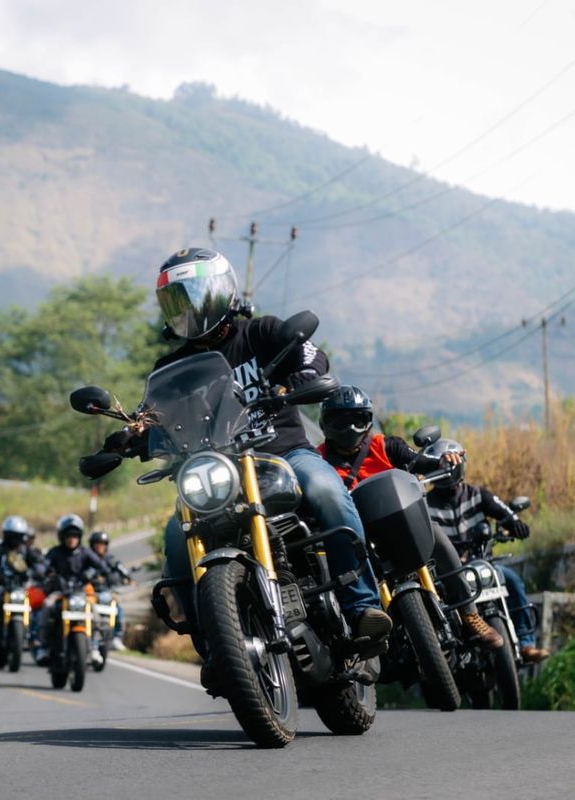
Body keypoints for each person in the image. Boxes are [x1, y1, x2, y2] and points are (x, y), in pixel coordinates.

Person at [102, 248, 393, 673]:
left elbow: (310, 355)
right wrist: (131, 437)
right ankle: (217, 647)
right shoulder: (173, 367)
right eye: (177, 301)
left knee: (327, 489)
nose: (188, 309)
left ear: (221, 292)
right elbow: (158, 417)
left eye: (194, 295)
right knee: (175, 539)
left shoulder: (262, 333)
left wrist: (304, 378)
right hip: (219, 473)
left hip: (285, 452)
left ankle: (360, 605)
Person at [317, 385, 503, 650]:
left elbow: (418, 461)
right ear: (326, 424)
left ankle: (470, 615)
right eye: (340, 419)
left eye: (356, 419)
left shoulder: (385, 445)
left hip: (402, 524)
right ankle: (358, 635)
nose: (349, 427)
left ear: (367, 421)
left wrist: (442, 461)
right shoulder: (318, 460)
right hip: (360, 538)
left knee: (437, 536)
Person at [421, 438, 550, 663]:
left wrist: (515, 524)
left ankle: (527, 644)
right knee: (434, 602)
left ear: (460, 465)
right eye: (439, 468)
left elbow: (504, 511)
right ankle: (442, 654)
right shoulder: (425, 505)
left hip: (480, 561)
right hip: (447, 573)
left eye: (450, 466)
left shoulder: (477, 494)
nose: (446, 473)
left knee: (512, 580)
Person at [36, 514, 109, 661]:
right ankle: (42, 647)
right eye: (68, 535)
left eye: (75, 535)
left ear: (80, 537)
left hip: (80, 594)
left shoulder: (85, 552)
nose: (71, 539)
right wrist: (42, 571)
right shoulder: (55, 552)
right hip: (59, 593)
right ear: (62, 536)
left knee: (95, 613)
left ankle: (94, 647)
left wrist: (91, 573)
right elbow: (43, 565)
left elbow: (102, 567)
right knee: (47, 606)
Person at [0, 516, 45, 648]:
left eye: (17, 535)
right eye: (11, 535)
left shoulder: (25, 550)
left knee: (40, 603)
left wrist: (40, 572)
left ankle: (34, 636)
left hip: (21, 588)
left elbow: (39, 562)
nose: (14, 539)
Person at [89, 530, 132, 650]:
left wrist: (127, 577)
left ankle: (117, 637)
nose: (100, 547)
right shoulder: (87, 559)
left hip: (106, 594)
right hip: (90, 594)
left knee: (118, 609)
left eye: (103, 544)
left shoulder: (110, 560)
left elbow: (121, 569)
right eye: (97, 543)